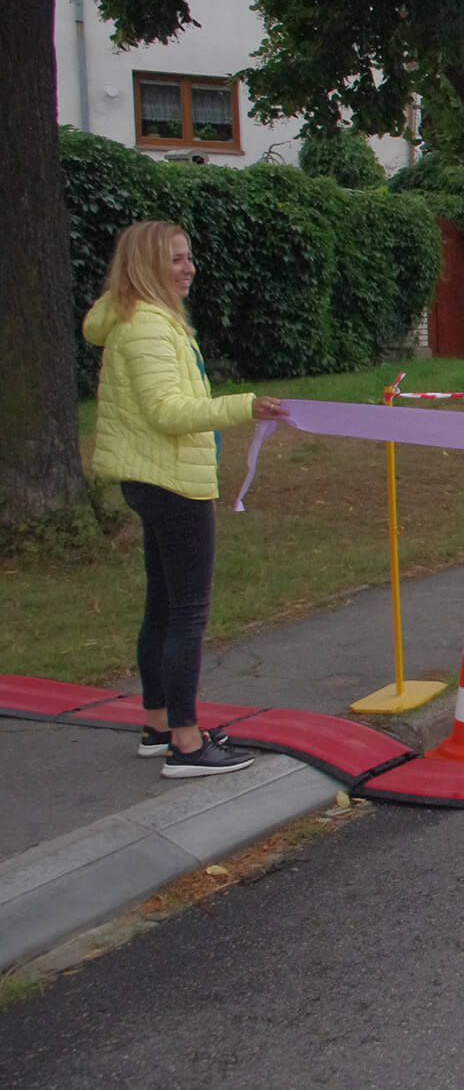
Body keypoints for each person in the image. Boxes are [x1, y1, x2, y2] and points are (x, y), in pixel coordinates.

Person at [82, 221, 287, 778]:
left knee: (166, 606)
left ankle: (159, 725)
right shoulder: (147, 325)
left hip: (157, 477)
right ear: (147, 266)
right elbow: (168, 413)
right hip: (171, 481)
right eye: (175, 259)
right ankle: (188, 745)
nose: (187, 267)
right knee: (187, 614)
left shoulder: (143, 318)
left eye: (188, 256)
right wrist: (245, 407)